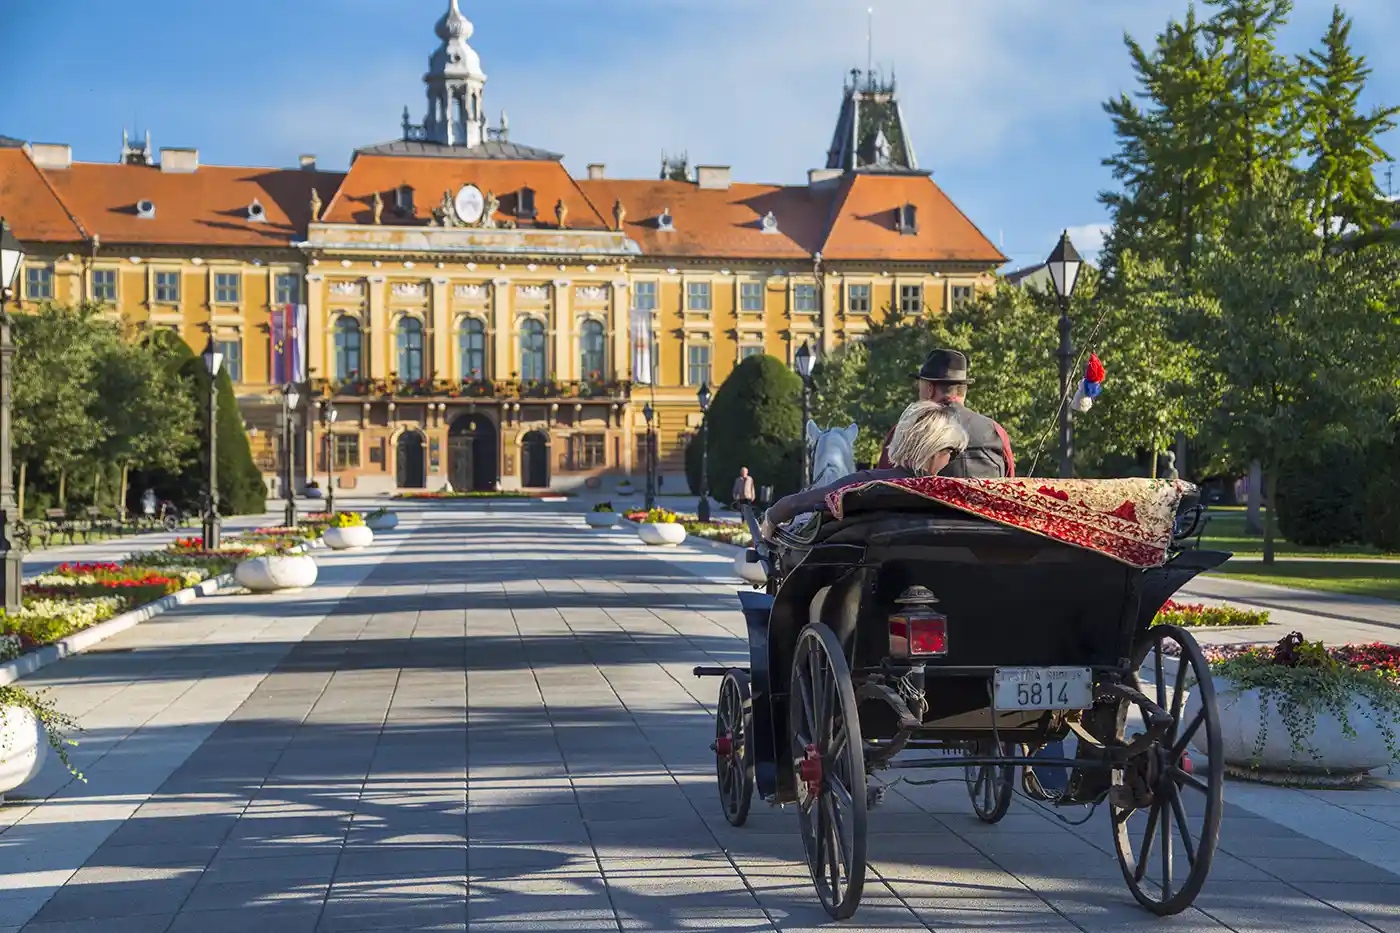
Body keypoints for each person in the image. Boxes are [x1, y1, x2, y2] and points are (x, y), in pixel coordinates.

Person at [760, 401, 967, 538]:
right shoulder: (956, 496)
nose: (951, 459)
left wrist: (770, 520)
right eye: (954, 452)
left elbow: (794, 504)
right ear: (937, 450)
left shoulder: (863, 483)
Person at [876, 349, 1014, 478]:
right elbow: (1010, 482)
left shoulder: (907, 430)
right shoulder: (996, 431)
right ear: (963, 391)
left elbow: (883, 483)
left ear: (929, 389)